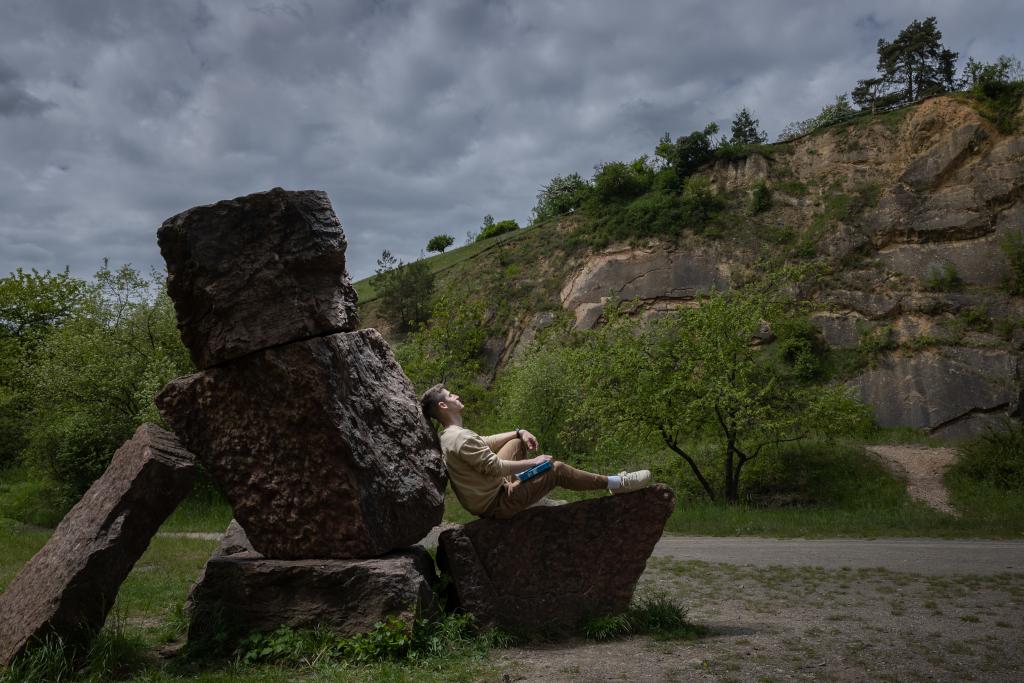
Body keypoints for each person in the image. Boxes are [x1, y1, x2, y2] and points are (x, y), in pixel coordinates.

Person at [420, 384, 651, 519]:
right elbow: (494, 467)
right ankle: (615, 483)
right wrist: (535, 462)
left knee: (517, 443)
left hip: (493, 491)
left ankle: (531, 497)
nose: (456, 396)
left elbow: (483, 442)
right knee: (555, 469)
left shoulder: (450, 435)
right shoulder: (459, 438)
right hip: (497, 503)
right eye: (450, 395)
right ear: (443, 406)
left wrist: (519, 432)